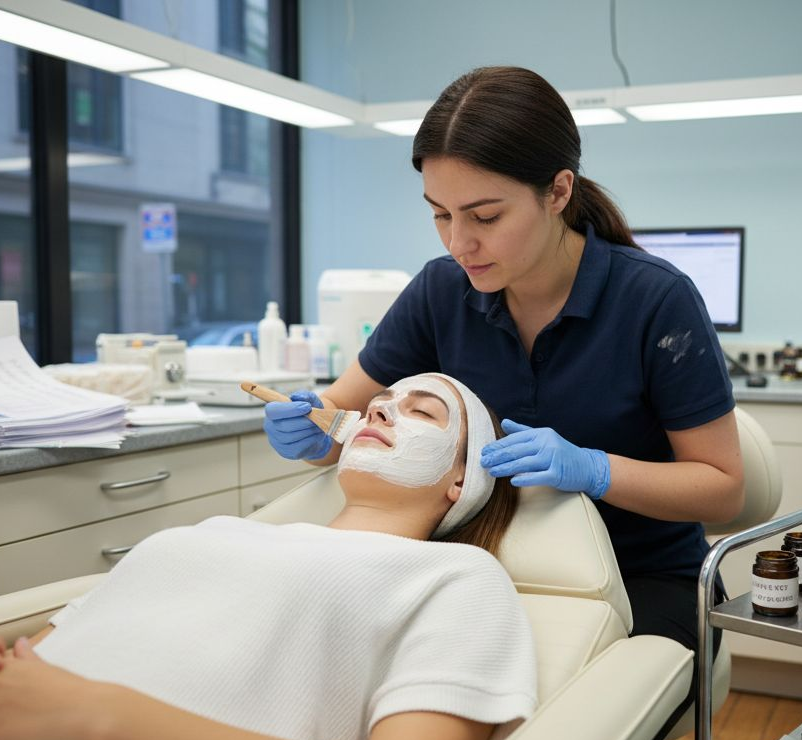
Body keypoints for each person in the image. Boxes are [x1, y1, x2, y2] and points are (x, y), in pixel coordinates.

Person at [265, 65, 743, 655]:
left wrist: (596, 469)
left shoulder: (655, 299)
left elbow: (722, 489)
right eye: (440, 213)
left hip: (641, 577)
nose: (458, 243)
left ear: (559, 192)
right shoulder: (442, 291)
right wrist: (317, 430)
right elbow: (344, 411)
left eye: (485, 217)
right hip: (481, 560)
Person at [0, 374, 535, 740]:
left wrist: (96, 716)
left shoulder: (456, 577)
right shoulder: (223, 534)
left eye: (422, 412)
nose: (377, 409)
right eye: (379, 401)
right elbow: (33, 676)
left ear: (462, 480)